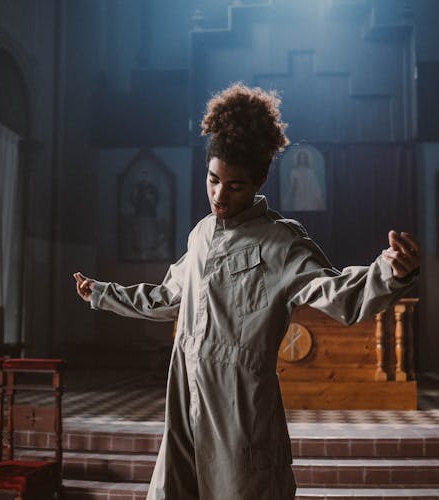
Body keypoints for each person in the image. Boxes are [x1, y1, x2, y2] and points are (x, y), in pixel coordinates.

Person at [73, 83, 420, 500]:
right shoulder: (200, 235)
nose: (219, 195)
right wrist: (103, 293)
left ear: (256, 183)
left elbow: (338, 294)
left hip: (240, 409)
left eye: (234, 186)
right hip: (185, 400)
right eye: (212, 180)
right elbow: (168, 297)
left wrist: (390, 272)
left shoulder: (280, 243)